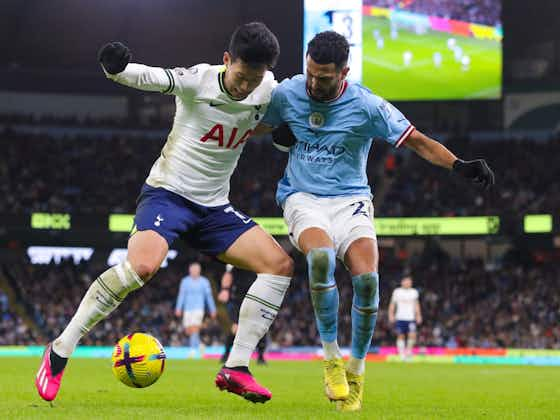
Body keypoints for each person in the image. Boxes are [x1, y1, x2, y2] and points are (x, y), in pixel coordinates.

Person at [35, 22, 294, 404]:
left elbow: (257, 120)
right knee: (141, 267)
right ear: (226, 61)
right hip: (168, 196)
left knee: (279, 264)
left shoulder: (268, 89)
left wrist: (282, 133)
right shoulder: (198, 80)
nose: (245, 87)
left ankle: (236, 367)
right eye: (240, 76)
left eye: (253, 80)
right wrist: (116, 69)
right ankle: (60, 350)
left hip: (215, 208)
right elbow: (151, 78)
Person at [257, 31, 494, 412]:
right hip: (303, 197)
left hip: (351, 199)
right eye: (311, 73)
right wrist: (275, 136)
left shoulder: (367, 105)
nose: (315, 83)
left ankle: (357, 370)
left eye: (325, 77)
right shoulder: (288, 93)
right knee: (320, 258)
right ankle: (331, 358)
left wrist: (459, 165)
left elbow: (417, 140)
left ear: (344, 72)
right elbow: (253, 124)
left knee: (367, 280)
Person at [218, 264, 268, 365]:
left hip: (256, 297)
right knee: (236, 328)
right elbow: (228, 274)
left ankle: (261, 356)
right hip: (238, 299)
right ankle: (226, 353)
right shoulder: (238, 255)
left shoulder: (260, 257)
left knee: (260, 327)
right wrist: (225, 289)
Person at [175, 262, 217, 355]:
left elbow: (208, 296)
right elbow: (181, 295)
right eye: (192, 270)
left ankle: (193, 350)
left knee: (195, 328)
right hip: (187, 309)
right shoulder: (185, 281)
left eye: (196, 270)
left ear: (199, 271)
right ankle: (201, 345)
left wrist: (212, 309)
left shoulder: (204, 281)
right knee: (188, 330)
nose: (194, 272)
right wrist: (178, 308)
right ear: (189, 271)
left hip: (199, 308)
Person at [388, 275, 422, 361]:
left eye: (409, 281)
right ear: (402, 282)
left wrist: (418, 315)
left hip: (411, 318)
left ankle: (408, 352)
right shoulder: (397, 292)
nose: (408, 283)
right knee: (401, 336)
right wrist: (391, 315)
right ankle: (402, 355)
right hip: (400, 317)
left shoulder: (414, 292)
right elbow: (392, 304)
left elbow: (416, 304)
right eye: (406, 281)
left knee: (412, 335)